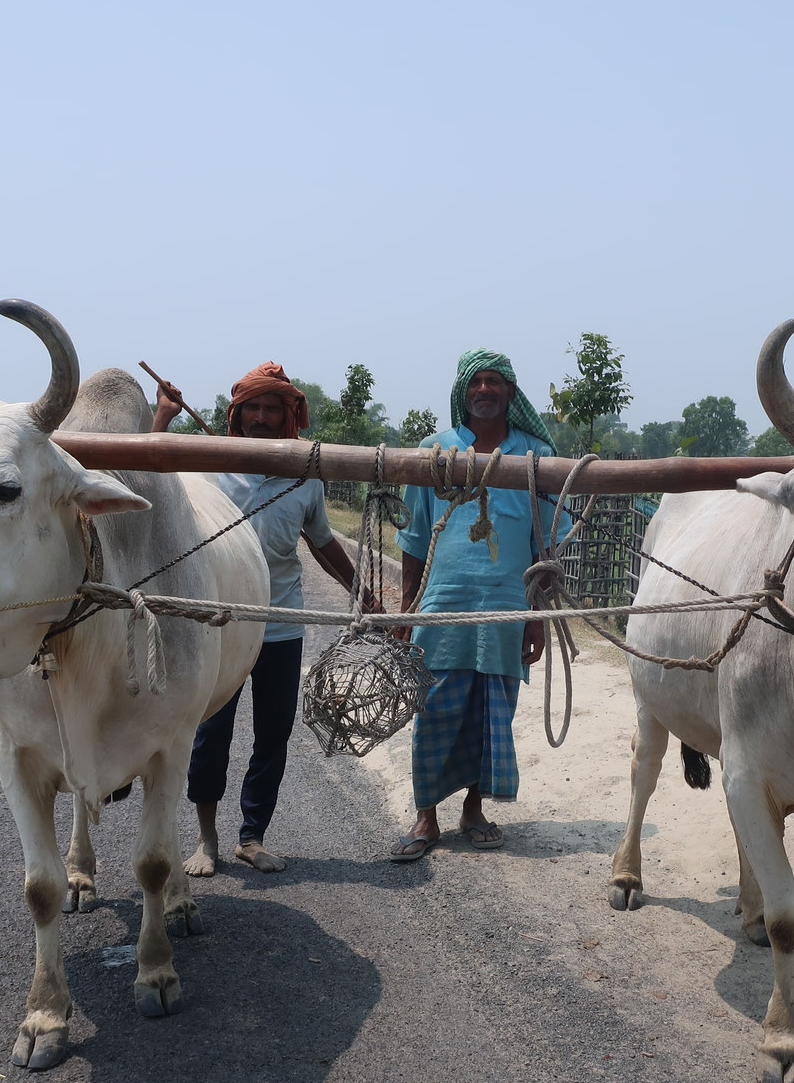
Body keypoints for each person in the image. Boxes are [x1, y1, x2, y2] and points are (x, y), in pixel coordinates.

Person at [151, 363, 368, 876]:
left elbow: (322, 543)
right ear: (237, 414)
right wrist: (160, 418)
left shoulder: (305, 476)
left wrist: (362, 594)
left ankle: (253, 837)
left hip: (281, 623)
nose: (263, 418)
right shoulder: (205, 465)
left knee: (273, 734)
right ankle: (207, 841)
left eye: (274, 409)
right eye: (254, 408)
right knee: (210, 733)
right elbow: (149, 474)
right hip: (219, 623)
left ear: (289, 416)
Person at [388, 349, 567, 860]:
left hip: (508, 608)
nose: (485, 390)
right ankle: (426, 817)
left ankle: (472, 809)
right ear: (462, 393)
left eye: (495, 382)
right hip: (442, 606)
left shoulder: (535, 454)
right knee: (435, 709)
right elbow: (414, 540)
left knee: (492, 712)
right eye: (476, 382)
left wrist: (538, 620)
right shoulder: (433, 451)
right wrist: (407, 609)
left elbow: (544, 546)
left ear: (511, 393)